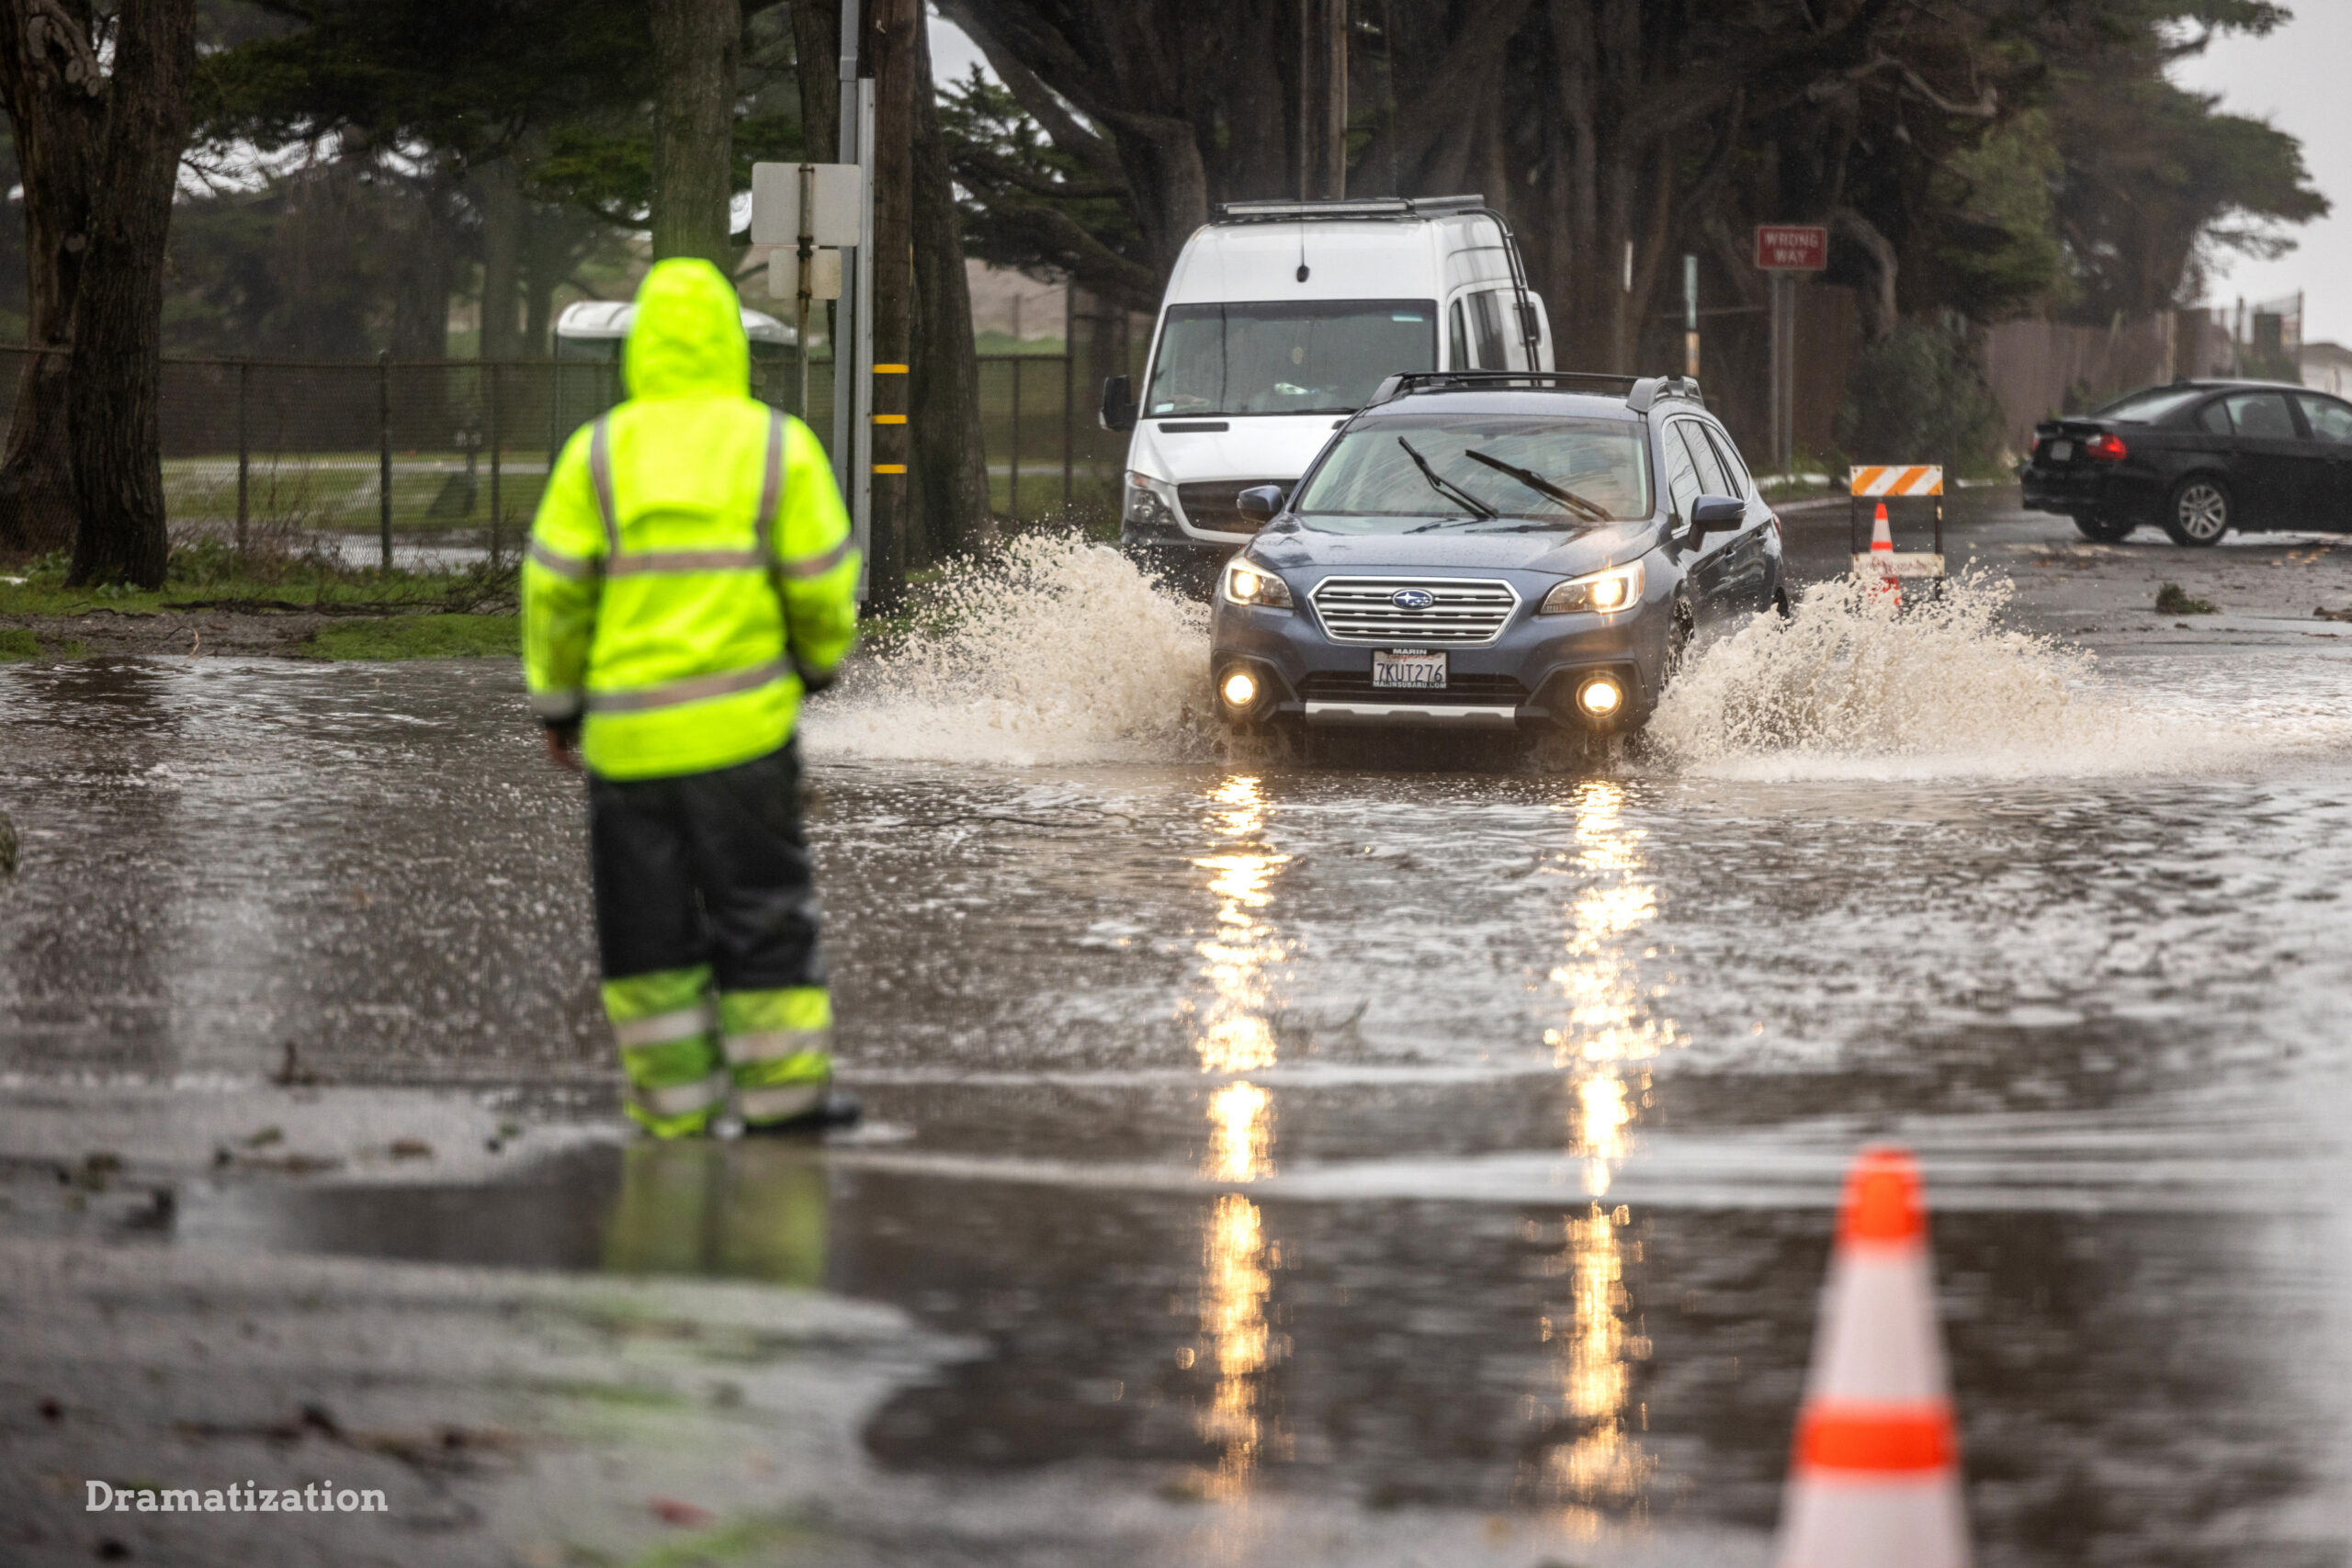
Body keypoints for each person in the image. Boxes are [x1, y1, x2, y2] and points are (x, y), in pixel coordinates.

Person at [522, 257, 859, 1138]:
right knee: (762, 915)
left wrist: (559, 708)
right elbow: (824, 583)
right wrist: (819, 663)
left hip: (628, 749)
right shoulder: (778, 445)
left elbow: (554, 595)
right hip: (745, 742)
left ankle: (673, 1112)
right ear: (730, 345)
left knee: (647, 932)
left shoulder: (596, 452)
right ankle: (785, 1102)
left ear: (640, 348)